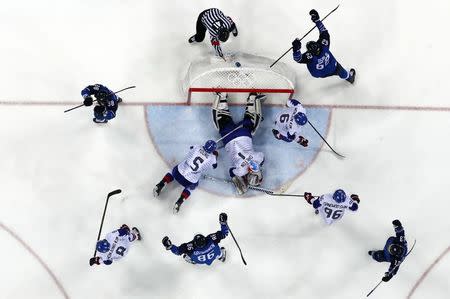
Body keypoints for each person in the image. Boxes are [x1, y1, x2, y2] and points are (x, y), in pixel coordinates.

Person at [212, 92, 265, 195]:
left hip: (243, 133)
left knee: (251, 124)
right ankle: (222, 98)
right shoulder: (240, 171)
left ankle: (252, 99)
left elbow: (262, 158)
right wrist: (239, 181)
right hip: (228, 137)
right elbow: (231, 171)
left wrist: (256, 167)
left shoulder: (258, 158)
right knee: (222, 121)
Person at [153, 140, 218, 213]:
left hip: (178, 172)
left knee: (173, 171)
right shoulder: (212, 158)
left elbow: (191, 148)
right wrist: (215, 155)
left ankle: (160, 184)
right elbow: (214, 166)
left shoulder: (197, 147)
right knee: (192, 187)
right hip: (189, 181)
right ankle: (179, 202)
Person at [292, 9, 355, 84]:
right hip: (333, 67)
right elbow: (324, 32)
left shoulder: (309, 56)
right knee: (342, 71)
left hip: (319, 74)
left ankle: (348, 77)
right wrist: (317, 21)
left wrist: (296, 50)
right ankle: (350, 78)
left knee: (317, 65)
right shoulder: (324, 45)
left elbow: (298, 59)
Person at [162, 213, 229, 265]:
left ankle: (192, 261)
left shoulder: (190, 247)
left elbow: (178, 251)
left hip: (199, 261)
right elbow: (224, 233)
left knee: (187, 255)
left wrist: (170, 246)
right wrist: (223, 223)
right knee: (218, 251)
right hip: (214, 255)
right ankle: (221, 257)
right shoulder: (211, 238)